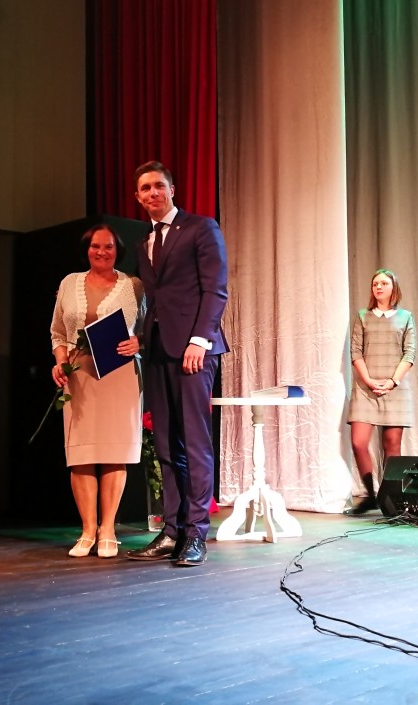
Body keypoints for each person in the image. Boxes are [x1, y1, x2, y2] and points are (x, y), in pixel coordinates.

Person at [124, 161, 228, 567]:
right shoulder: (144, 242)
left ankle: (197, 532)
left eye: (158, 186)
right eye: (145, 188)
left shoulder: (201, 228)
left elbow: (215, 290)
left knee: (195, 443)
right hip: (158, 351)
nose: (152, 193)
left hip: (194, 351)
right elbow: (157, 301)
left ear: (172, 190)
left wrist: (200, 339)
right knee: (167, 444)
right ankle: (172, 531)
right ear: (138, 197)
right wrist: (142, 338)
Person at [50, 225, 145, 558]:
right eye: (95, 246)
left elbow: (150, 329)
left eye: (108, 246)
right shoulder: (69, 283)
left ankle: (108, 530)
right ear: (86, 249)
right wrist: (60, 362)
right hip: (79, 376)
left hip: (119, 374)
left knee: (114, 452)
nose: (101, 252)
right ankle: (88, 530)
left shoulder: (134, 285)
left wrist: (139, 342)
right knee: (82, 455)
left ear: (118, 250)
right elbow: (58, 332)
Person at [345, 268, 416, 515]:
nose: (378, 287)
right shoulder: (363, 316)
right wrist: (368, 380)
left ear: (393, 288)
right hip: (366, 388)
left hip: (395, 388)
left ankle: (390, 499)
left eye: (384, 283)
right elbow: (355, 351)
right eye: (375, 283)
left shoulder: (405, 317)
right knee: (358, 442)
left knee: (392, 446)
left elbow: (410, 353)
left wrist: (393, 381)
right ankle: (371, 496)